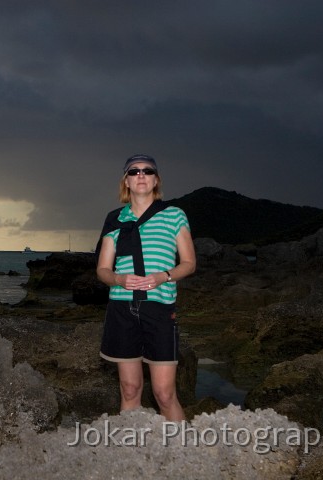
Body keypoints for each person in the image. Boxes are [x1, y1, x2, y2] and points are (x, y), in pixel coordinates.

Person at [95, 153, 196, 421]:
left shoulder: (174, 215)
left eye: (148, 171)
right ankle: (130, 452)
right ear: (125, 181)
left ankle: (184, 452)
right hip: (121, 308)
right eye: (134, 171)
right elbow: (103, 270)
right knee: (129, 389)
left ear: (156, 180)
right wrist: (119, 279)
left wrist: (163, 276)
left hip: (160, 309)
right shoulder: (114, 219)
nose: (141, 175)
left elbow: (188, 263)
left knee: (164, 393)